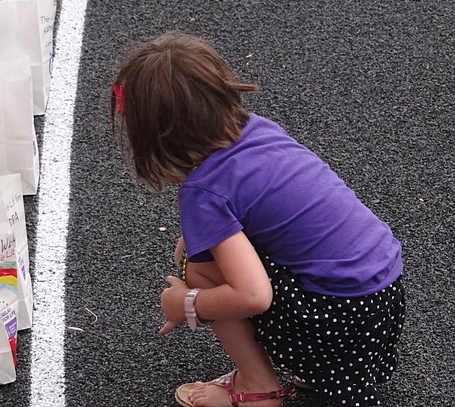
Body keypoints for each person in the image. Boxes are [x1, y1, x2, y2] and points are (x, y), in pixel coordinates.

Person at [111, 31, 405, 407]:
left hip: (338, 315)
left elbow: (254, 295)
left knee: (194, 265)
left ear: (155, 135)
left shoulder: (204, 192)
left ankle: (256, 387)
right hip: (382, 301)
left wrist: (186, 304)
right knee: (195, 247)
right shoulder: (256, 128)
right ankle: (320, 370)